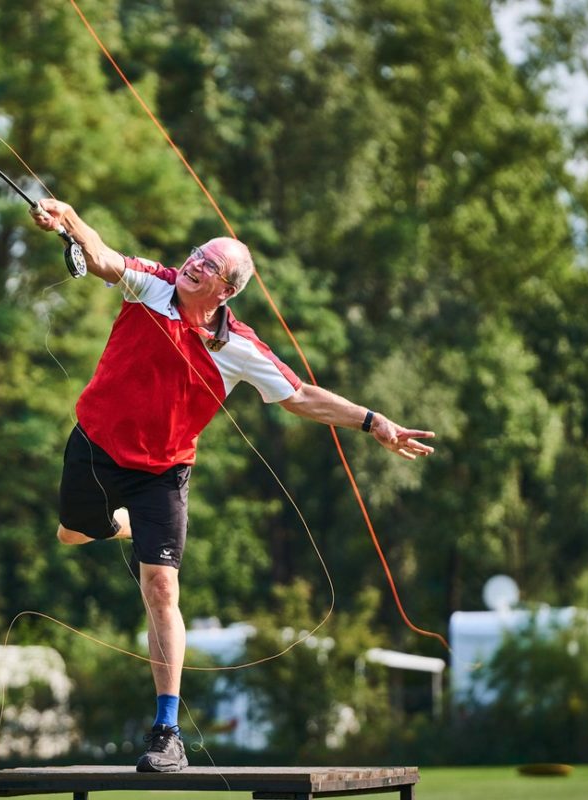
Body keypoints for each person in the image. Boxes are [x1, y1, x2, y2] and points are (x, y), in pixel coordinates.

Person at [30, 198, 436, 773]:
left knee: (162, 589)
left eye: (208, 265)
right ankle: (118, 526)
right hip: (95, 449)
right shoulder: (152, 286)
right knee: (72, 533)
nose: (193, 264)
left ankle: (166, 732)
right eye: (195, 254)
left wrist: (373, 421)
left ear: (226, 290)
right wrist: (66, 218)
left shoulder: (238, 346)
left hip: (165, 474)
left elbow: (300, 396)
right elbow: (98, 256)